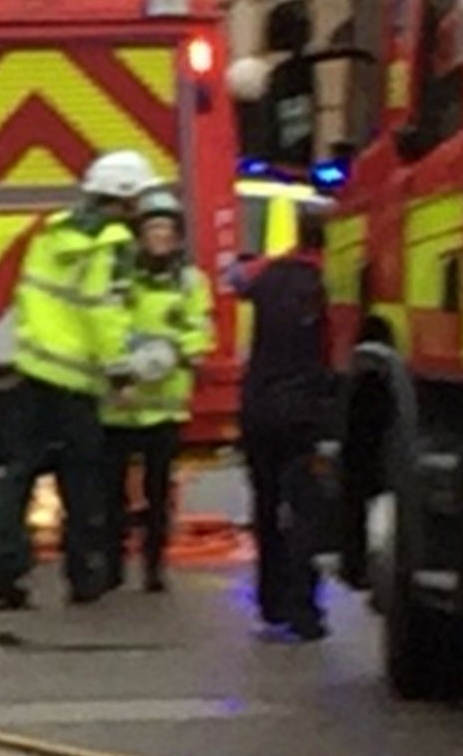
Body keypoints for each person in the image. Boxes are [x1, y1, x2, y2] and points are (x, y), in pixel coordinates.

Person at [0, 149, 158, 610]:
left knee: (16, 475)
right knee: (82, 481)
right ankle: (85, 575)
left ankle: (0, 570)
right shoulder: (112, 244)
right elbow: (104, 312)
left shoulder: (53, 231)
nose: (142, 208)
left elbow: (33, 296)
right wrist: (120, 372)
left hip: (33, 369)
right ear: (123, 197)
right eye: (138, 198)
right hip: (76, 380)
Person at [101, 187, 216, 593]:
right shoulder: (121, 278)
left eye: (167, 231)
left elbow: (199, 328)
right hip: (120, 403)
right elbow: (107, 326)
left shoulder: (189, 281)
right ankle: (112, 566)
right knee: (111, 494)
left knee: (158, 493)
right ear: (140, 235)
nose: (160, 238)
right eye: (153, 230)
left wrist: (177, 353)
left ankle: (153, 567)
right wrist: (123, 372)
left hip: (165, 406)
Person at [233, 206, 335, 641]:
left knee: (267, 506)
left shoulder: (267, 275)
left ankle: (270, 601)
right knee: (306, 511)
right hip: (306, 412)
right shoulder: (329, 282)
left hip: (258, 408)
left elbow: (238, 279)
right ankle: (303, 608)